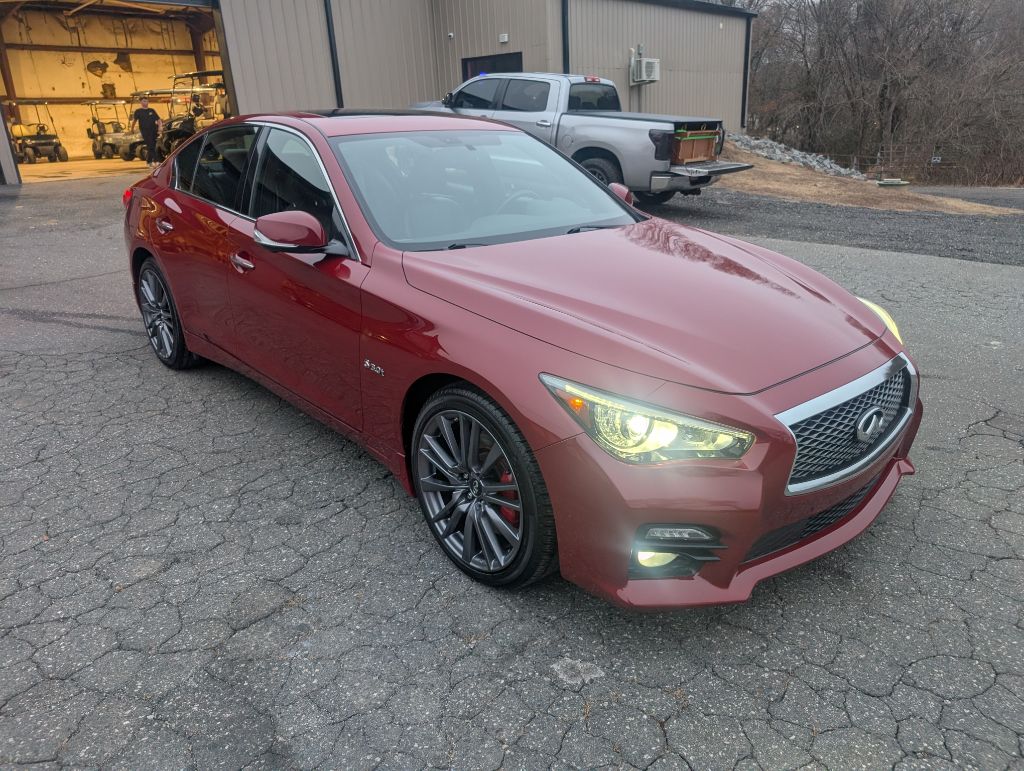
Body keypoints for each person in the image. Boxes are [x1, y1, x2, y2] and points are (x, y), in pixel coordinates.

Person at [130, 97, 162, 167]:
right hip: (145, 131)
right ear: (141, 102)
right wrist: (132, 129)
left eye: (147, 101)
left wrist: (160, 127)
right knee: (150, 145)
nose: (146, 103)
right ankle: (156, 161)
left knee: (152, 146)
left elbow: (159, 120)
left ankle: (149, 161)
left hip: (154, 130)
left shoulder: (152, 110)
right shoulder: (138, 111)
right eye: (144, 101)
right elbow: (134, 121)